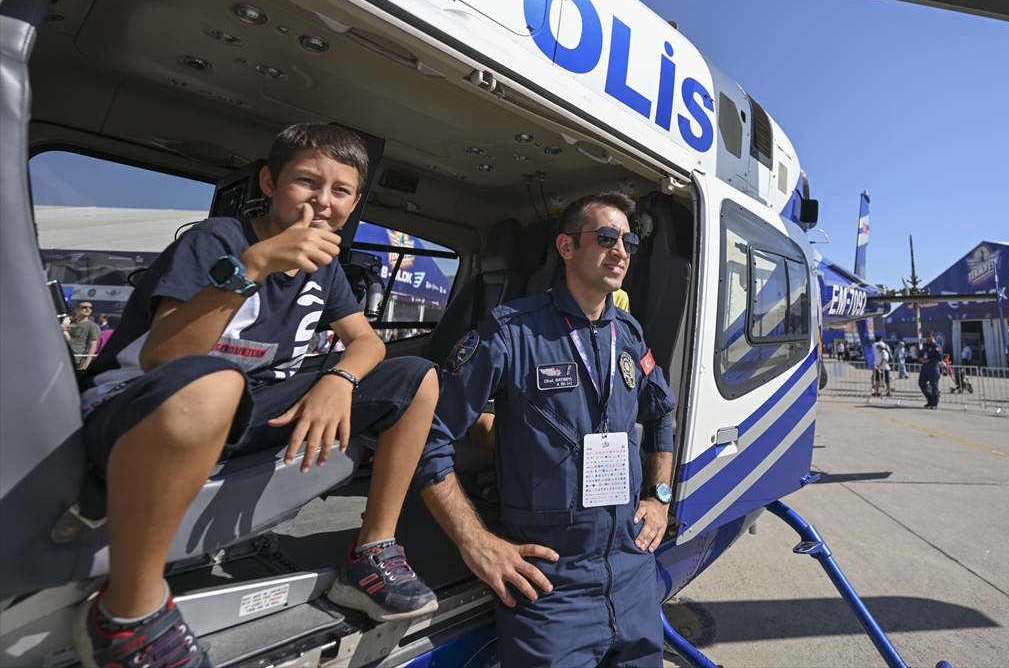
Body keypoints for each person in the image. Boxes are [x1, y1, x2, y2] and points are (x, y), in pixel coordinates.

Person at [74, 124, 441, 668]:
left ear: (354, 203)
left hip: (248, 409)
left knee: (418, 378)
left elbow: (366, 341)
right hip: (144, 407)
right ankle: (128, 613)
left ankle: (371, 553)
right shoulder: (217, 240)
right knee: (216, 383)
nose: (322, 201)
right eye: (306, 182)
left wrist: (337, 382)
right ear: (270, 182)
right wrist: (254, 266)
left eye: (340, 191)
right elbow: (166, 358)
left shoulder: (327, 267)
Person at [416, 192, 676, 667]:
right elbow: (429, 435)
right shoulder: (512, 330)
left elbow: (661, 413)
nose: (621, 249)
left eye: (629, 240)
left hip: (632, 572)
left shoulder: (630, 334)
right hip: (551, 583)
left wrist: (659, 497)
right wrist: (474, 542)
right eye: (606, 237)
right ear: (566, 247)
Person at [65, 300, 102, 370]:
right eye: (84, 307)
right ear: (76, 310)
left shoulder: (93, 326)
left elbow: (93, 346)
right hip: (63, 355)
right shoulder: (68, 323)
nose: (88, 309)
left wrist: (86, 364)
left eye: (90, 308)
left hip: (77, 360)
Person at [917, 331, 942, 408]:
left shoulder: (936, 346)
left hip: (933, 368)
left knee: (934, 386)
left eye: (929, 336)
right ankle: (930, 400)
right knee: (921, 383)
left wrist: (929, 360)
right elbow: (921, 354)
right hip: (925, 368)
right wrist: (920, 359)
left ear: (933, 337)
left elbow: (940, 357)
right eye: (927, 336)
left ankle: (934, 403)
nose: (927, 337)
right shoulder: (925, 346)